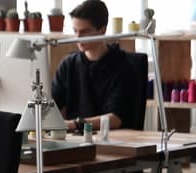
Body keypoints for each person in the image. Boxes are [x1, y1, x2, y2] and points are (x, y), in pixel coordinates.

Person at [51, 0, 137, 133]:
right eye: (75, 31)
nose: (78, 37)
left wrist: (74, 124)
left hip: (112, 140)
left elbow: (116, 118)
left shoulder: (124, 66)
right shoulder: (68, 64)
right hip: (74, 139)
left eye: (85, 31)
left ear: (102, 29)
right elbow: (51, 105)